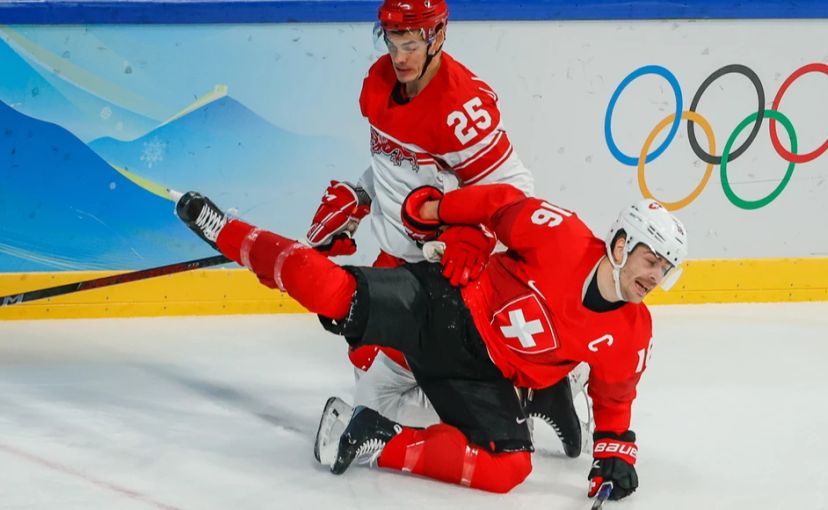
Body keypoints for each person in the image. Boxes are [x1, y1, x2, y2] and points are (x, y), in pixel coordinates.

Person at [174, 182, 687, 499]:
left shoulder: (633, 331)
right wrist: (442, 212)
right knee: (338, 294)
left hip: (484, 376)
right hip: (450, 309)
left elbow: (615, 396)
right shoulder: (562, 235)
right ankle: (228, 231)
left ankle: (380, 437)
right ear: (620, 244)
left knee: (510, 468)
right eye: (650, 261)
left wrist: (614, 456)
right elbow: (501, 204)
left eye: (664, 269)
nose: (654, 277)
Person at [303, 0, 584, 459]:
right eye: (392, 42)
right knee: (365, 361)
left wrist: (475, 234)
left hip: (439, 270)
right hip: (396, 256)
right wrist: (360, 198)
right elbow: (399, 164)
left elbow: (514, 189)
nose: (400, 57)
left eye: (411, 45)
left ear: (437, 38)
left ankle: (521, 396)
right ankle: (530, 392)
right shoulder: (380, 82)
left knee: (379, 400)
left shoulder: (461, 107)